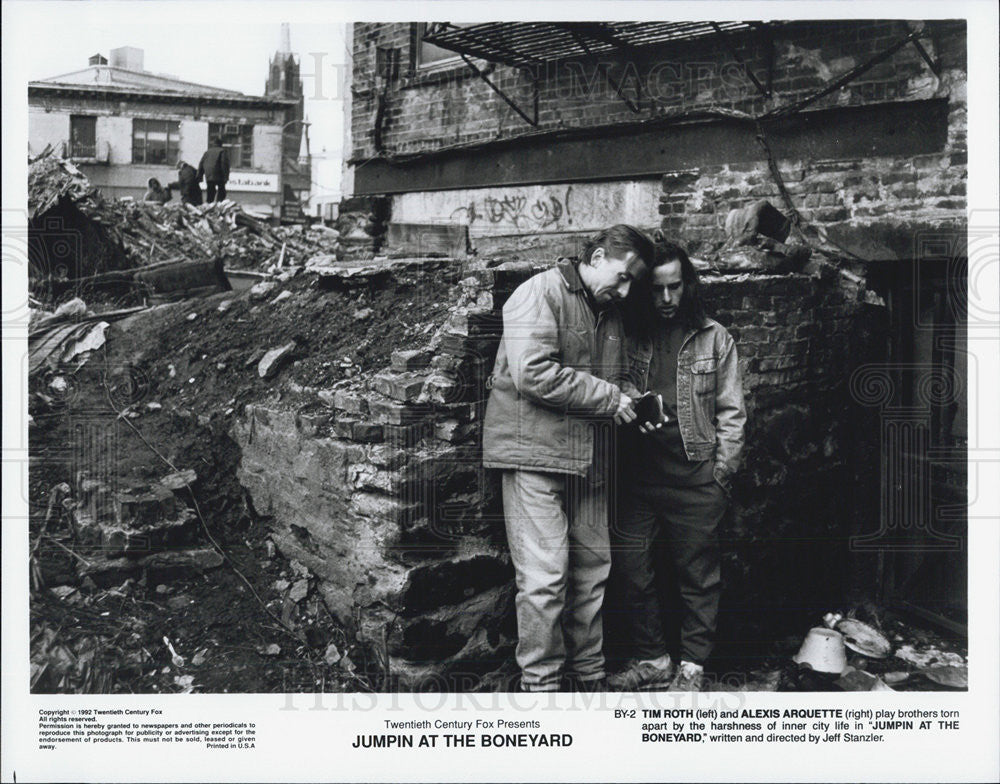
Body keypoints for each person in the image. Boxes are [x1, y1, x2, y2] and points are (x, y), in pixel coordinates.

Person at [482, 224, 655, 692]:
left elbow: (610, 382)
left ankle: (590, 680)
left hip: (589, 457)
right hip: (534, 456)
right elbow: (531, 372)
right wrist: (607, 397)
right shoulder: (538, 293)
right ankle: (541, 690)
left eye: (630, 285)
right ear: (596, 257)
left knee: (593, 573)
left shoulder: (609, 311)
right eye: (620, 277)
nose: (623, 291)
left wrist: (631, 400)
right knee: (545, 581)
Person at [606, 236, 746, 692]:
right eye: (656, 289)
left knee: (698, 579)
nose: (666, 299)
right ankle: (652, 659)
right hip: (636, 479)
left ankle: (692, 669)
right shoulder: (628, 332)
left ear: (687, 285)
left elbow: (732, 412)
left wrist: (720, 476)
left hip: (695, 480)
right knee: (631, 572)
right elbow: (612, 384)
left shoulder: (714, 337)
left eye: (675, 287)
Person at [198, 136, 231, 203]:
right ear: (221, 144)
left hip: (208, 175)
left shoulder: (207, 152)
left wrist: (199, 176)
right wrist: (226, 177)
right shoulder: (222, 151)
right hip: (219, 174)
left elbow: (201, 163)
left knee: (210, 191)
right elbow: (224, 164)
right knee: (221, 191)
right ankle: (219, 203)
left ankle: (209, 204)